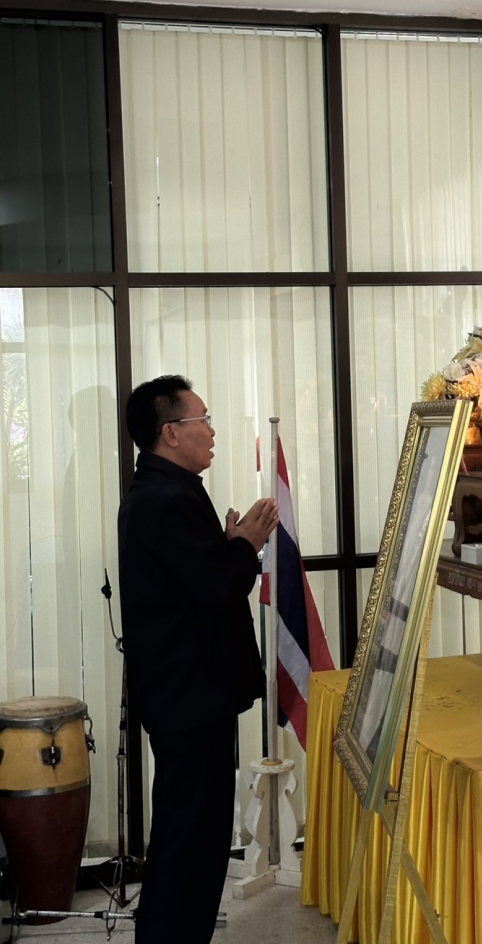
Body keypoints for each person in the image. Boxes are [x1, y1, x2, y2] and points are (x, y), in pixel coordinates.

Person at [118, 375, 278, 944]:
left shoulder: (167, 487)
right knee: (189, 841)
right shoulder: (165, 499)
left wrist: (226, 546)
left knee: (194, 836)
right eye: (201, 420)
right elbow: (214, 588)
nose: (211, 431)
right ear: (170, 433)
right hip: (190, 698)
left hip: (188, 694)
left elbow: (194, 578)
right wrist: (244, 546)